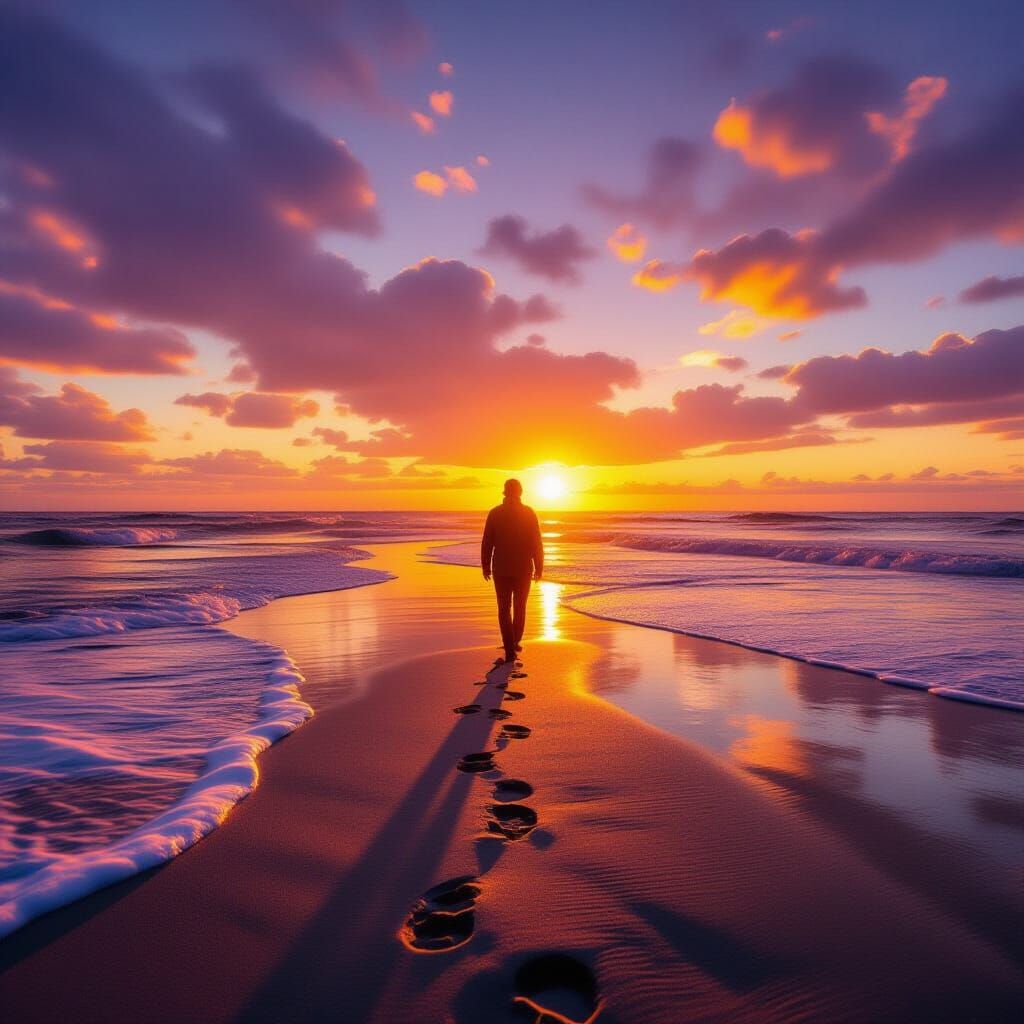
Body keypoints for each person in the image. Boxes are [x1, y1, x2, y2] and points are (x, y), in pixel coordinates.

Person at [481, 479, 544, 663]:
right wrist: (539, 566)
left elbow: (487, 542)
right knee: (519, 607)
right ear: (520, 492)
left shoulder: (494, 513)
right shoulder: (528, 513)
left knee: (503, 609)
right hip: (523, 568)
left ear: (504, 492)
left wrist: (485, 565)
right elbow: (536, 542)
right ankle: (514, 642)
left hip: (501, 569)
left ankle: (509, 648)